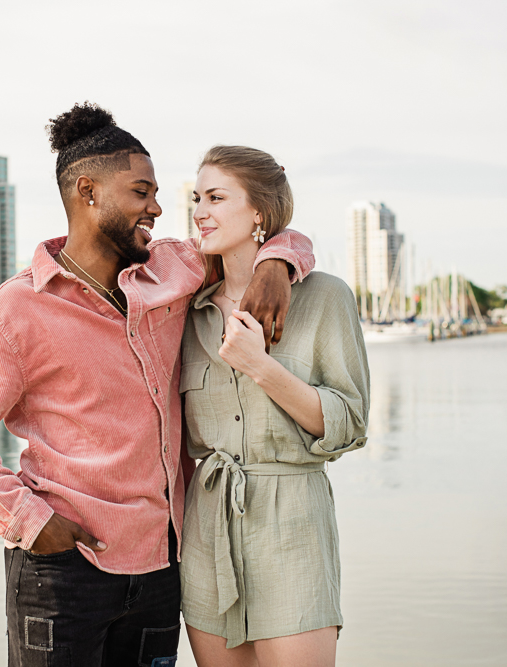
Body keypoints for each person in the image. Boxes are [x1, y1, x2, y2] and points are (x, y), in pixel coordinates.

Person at [0, 104, 315, 666]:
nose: (157, 208)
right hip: (62, 573)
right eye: (141, 192)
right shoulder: (15, 312)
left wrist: (276, 267)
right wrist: (30, 521)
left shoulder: (174, 272)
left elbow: (274, 231)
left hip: (162, 570)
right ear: (88, 192)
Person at [178, 146, 370, 667]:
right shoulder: (183, 308)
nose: (200, 210)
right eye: (197, 198)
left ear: (259, 212)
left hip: (293, 528)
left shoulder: (326, 297)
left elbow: (351, 424)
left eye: (217, 197)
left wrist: (262, 366)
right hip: (207, 531)